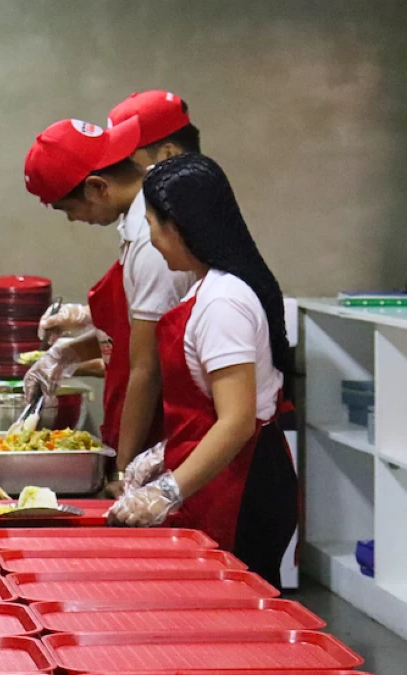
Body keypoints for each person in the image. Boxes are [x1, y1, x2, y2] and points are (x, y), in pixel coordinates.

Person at [107, 153, 298, 590]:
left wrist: (166, 492)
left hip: (243, 483)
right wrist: (156, 459)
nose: (151, 239)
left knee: (241, 614)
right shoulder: (208, 286)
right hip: (221, 472)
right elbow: (207, 405)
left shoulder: (222, 303)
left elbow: (235, 422)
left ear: (177, 225)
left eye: (152, 224)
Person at [22, 114, 195, 492]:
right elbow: (130, 332)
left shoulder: (153, 241)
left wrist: (123, 469)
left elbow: (147, 367)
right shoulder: (135, 223)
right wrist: (67, 352)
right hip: (154, 426)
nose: (72, 220)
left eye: (69, 209)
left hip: (172, 429)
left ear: (98, 187)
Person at [35, 90, 201, 346]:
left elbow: (149, 365)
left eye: (128, 154)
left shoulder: (157, 235)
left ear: (167, 155)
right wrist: (78, 339)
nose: (123, 163)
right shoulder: (138, 221)